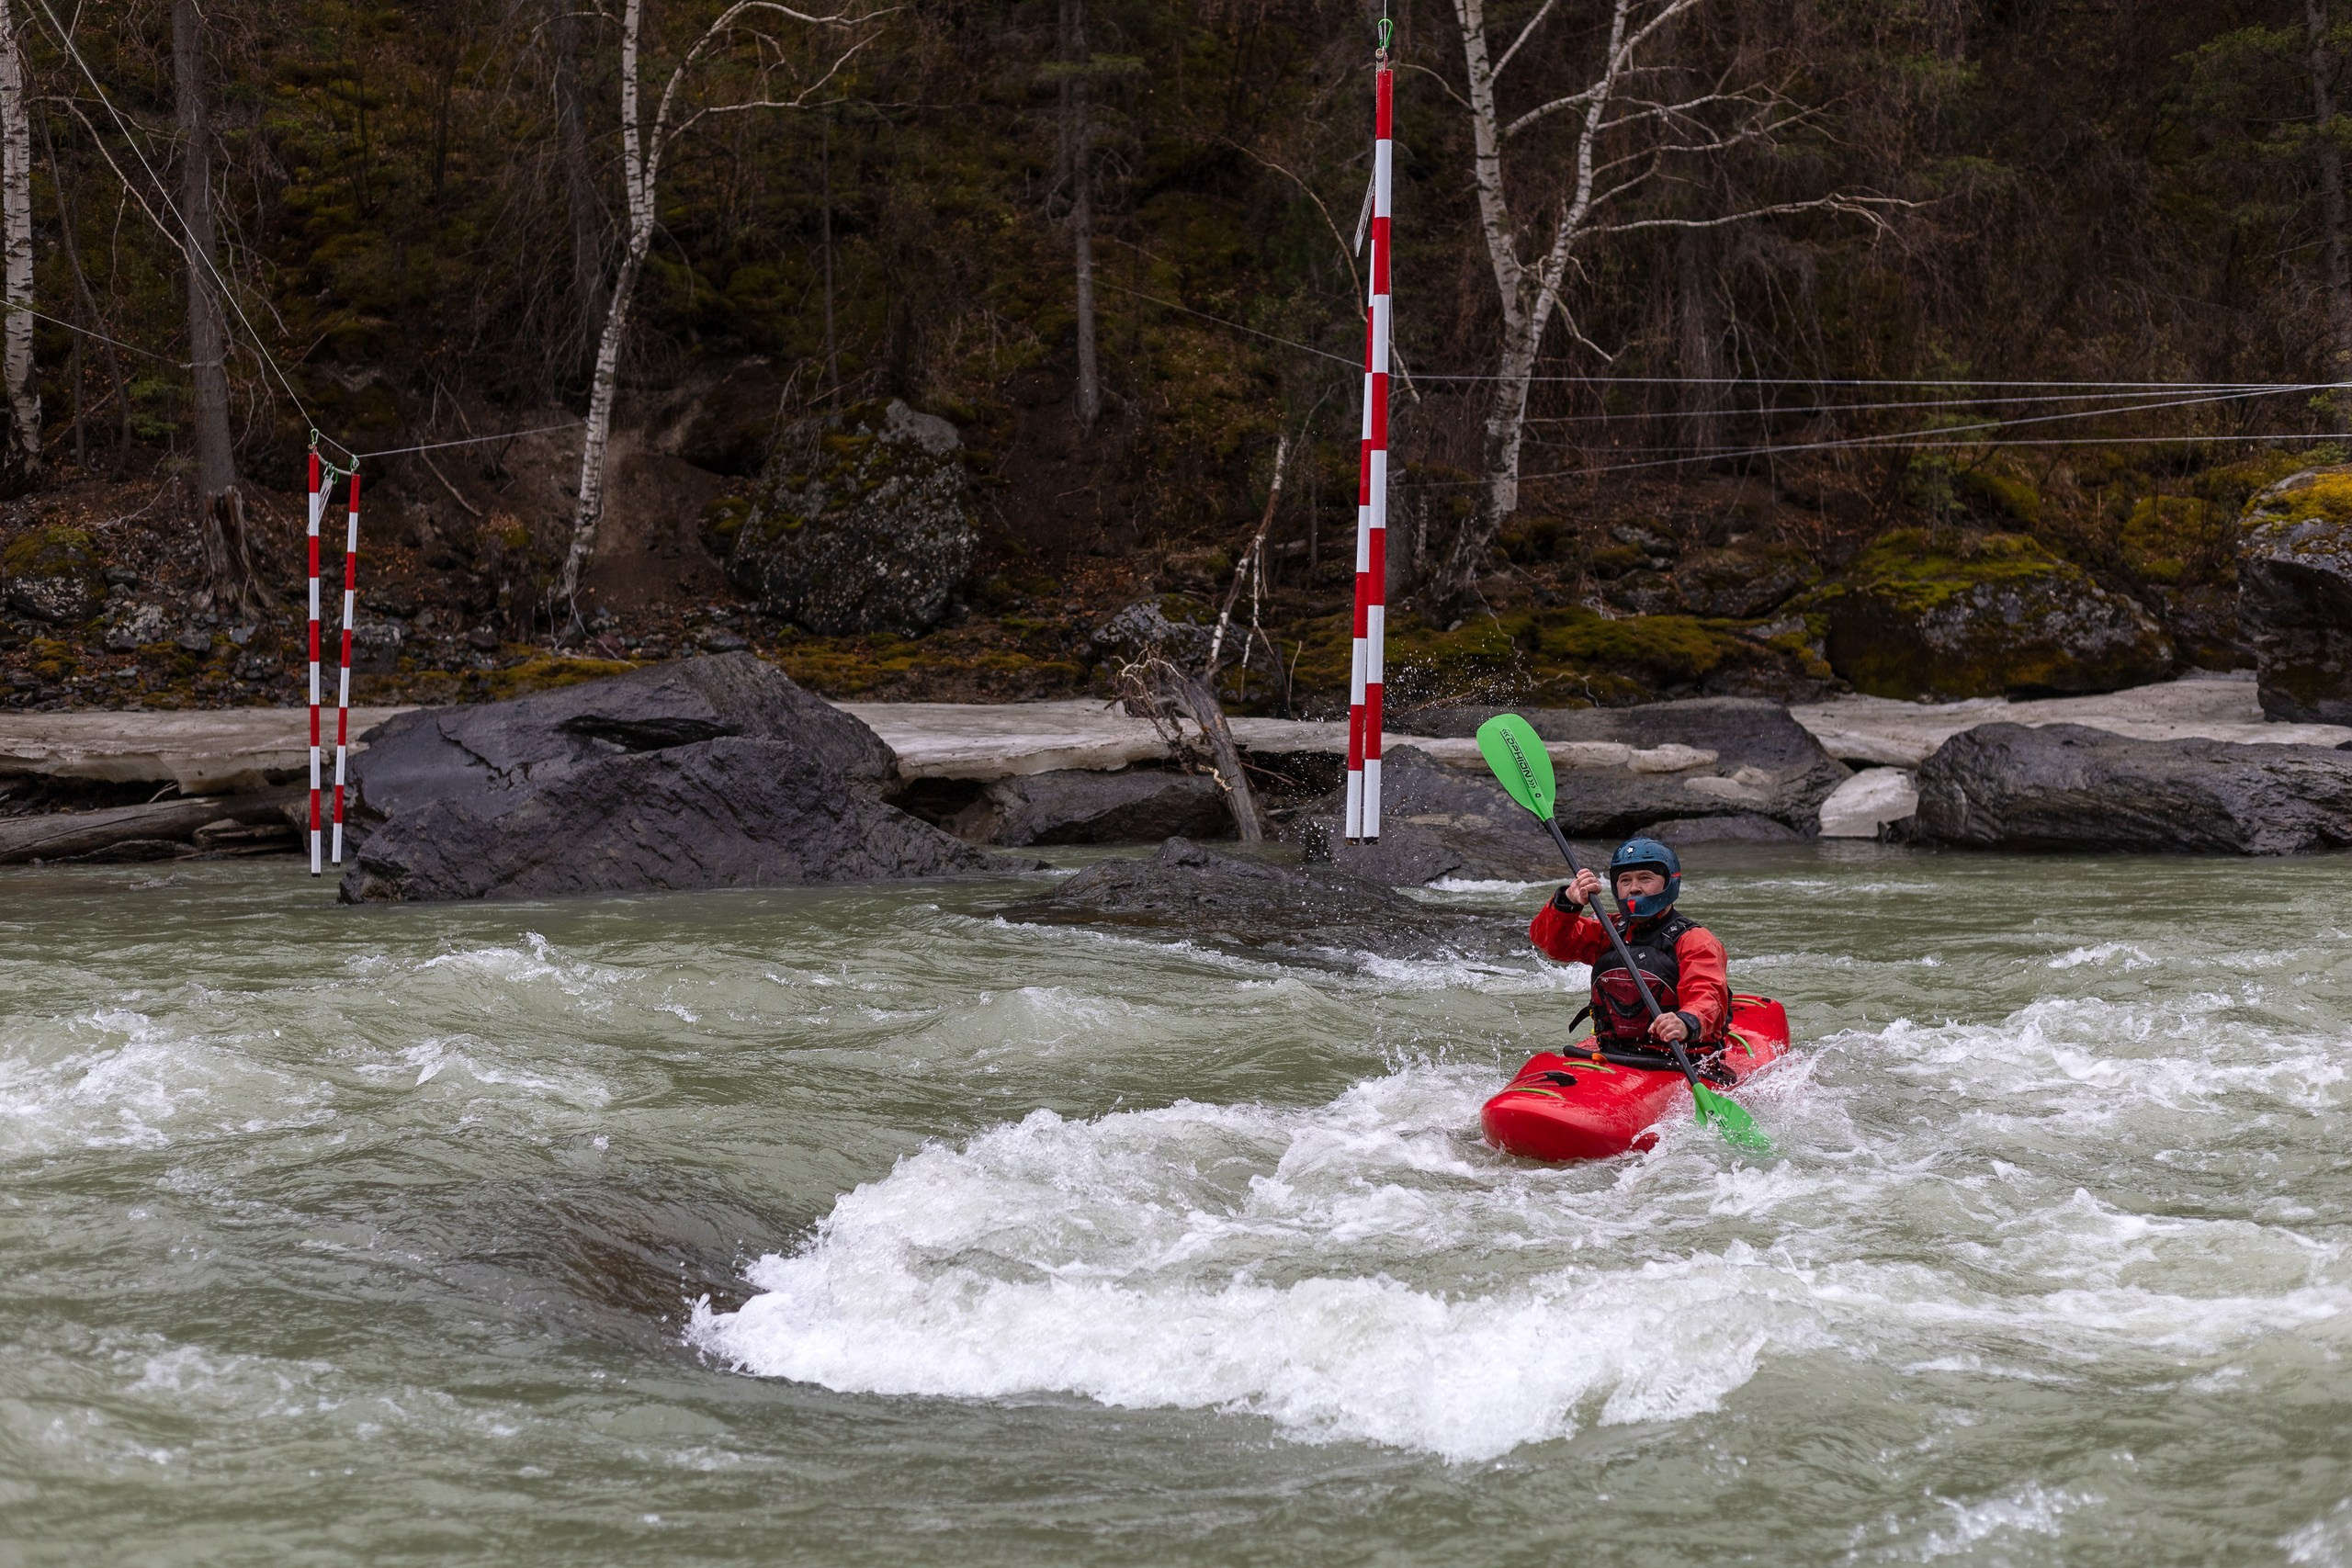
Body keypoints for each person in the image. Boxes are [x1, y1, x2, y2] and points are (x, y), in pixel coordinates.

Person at [1527, 837, 1732, 1069]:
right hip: (1612, 1054)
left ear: (1669, 882)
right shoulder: (1609, 931)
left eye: (1645, 878)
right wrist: (1568, 902)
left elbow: (1708, 993)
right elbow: (1551, 944)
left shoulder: (1695, 940)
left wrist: (1685, 1022)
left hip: (1682, 1061)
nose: (1634, 887)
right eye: (1625, 880)